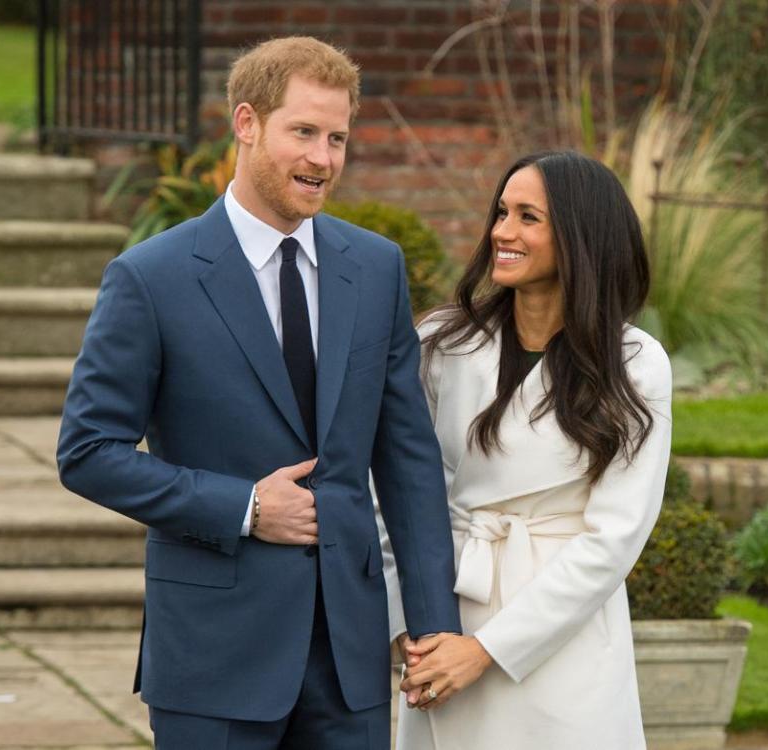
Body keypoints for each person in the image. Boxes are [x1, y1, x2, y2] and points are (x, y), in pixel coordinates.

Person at [57, 36, 460, 750]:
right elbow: (87, 451)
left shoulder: (375, 269)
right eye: (302, 132)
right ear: (246, 124)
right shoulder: (150, 277)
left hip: (348, 658)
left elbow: (407, 459)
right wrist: (243, 508)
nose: (322, 159)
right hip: (213, 656)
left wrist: (431, 623)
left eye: (336, 138)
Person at [382, 151, 672, 749]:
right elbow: (394, 486)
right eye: (501, 212)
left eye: (528, 217)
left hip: (560, 639)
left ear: (580, 235)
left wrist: (489, 650)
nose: (502, 232)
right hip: (444, 616)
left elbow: (614, 537)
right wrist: (403, 620)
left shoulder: (636, 365)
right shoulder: (441, 342)